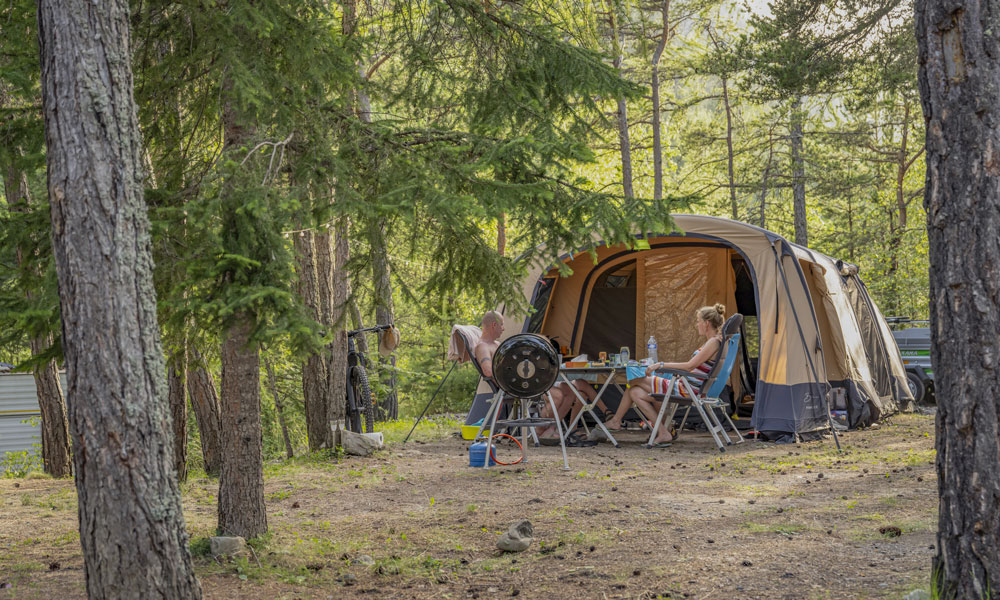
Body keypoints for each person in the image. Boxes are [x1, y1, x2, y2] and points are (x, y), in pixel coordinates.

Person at [604, 303, 727, 447]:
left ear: (706, 324)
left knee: (636, 379)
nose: (696, 324)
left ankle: (616, 421)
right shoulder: (717, 341)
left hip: (686, 389)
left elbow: (689, 366)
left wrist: (660, 365)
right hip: (688, 386)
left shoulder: (713, 342)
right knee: (635, 392)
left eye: (698, 321)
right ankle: (663, 432)